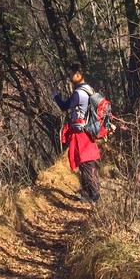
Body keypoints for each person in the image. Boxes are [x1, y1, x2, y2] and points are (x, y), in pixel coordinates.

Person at [53, 63, 101, 205]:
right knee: (84, 162)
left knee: (86, 163)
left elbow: (64, 106)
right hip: (87, 131)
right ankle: (87, 194)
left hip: (81, 132)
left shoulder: (79, 93)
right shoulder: (89, 89)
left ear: (78, 75)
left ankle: (95, 196)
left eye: (71, 74)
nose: (69, 77)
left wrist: (55, 95)